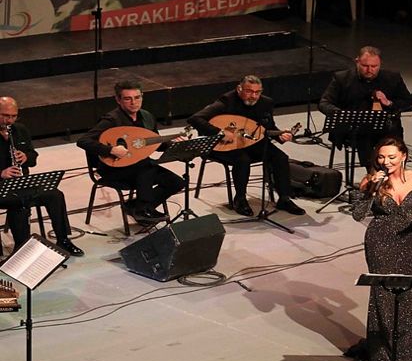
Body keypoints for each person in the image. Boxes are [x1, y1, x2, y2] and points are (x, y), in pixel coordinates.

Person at [346, 137, 412, 361]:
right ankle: (382, 352)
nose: (385, 161)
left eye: (391, 157)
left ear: (403, 156)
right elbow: (358, 214)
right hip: (380, 239)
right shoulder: (370, 181)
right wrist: (371, 190)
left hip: (410, 239)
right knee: (383, 292)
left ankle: (410, 350)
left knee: (407, 291)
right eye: (381, 157)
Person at [188, 75, 305, 216]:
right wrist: (219, 132)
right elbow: (195, 118)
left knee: (280, 157)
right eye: (249, 92)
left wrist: (279, 136)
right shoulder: (226, 101)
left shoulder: (266, 103)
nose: (253, 96)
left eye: (257, 92)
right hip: (223, 145)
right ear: (239, 89)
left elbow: (268, 127)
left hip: (252, 142)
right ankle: (240, 199)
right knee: (242, 160)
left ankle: (284, 198)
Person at [77, 81, 185, 224]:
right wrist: (110, 150)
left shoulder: (147, 117)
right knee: (147, 165)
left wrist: (173, 144)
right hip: (113, 169)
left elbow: (155, 144)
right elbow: (83, 141)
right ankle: (142, 210)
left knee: (176, 182)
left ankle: (134, 206)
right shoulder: (112, 120)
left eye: (137, 97)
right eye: (128, 99)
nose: (133, 102)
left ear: (142, 97)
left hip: (140, 168)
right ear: (118, 100)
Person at [0, 96, 83, 256]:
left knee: (55, 195)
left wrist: (26, 157)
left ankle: (63, 240)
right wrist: (2, 173)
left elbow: (33, 158)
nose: (9, 120)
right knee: (19, 203)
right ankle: (21, 248)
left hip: (20, 183)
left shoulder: (20, 130)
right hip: (2, 188)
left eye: (13, 116)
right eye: (5, 115)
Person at [319, 46, 412, 170]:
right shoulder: (342, 78)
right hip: (354, 129)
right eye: (365, 66)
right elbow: (324, 102)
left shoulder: (392, 78)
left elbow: (409, 103)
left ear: (380, 64)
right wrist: (343, 115)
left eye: (374, 66)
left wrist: (389, 103)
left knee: (393, 140)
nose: (370, 70)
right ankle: (373, 174)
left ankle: (395, 174)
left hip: (386, 127)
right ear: (357, 61)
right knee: (364, 137)